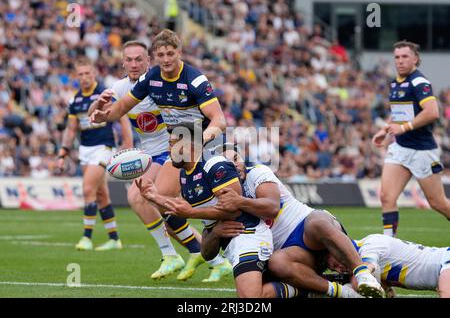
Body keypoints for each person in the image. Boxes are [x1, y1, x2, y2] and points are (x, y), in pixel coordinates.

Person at [89, 29, 230, 282]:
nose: (166, 59)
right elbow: (122, 106)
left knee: (173, 202)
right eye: (161, 54)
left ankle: (213, 255)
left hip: (202, 145)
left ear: (180, 53)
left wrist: (199, 139)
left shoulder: (195, 79)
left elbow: (219, 119)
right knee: (157, 200)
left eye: (170, 53)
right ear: (155, 57)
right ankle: (208, 256)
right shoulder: (151, 78)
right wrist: (104, 116)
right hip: (178, 148)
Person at [136, 122, 298, 298]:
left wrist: (191, 214)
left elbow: (233, 209)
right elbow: (188, 212)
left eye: (173, 143)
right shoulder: (185, 175)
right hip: (230, 244)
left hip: (248, 235)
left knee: (251, 299)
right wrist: (154, 197)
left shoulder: (214, 164)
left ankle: (303, 291)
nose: (169, 149)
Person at [214, 144, 384, 298]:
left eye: (236, 158)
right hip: (289, 254)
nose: (235, 164)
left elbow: (272, 208)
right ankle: (337, 291)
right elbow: (207, 252)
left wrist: (239, 201)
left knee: (317, 222)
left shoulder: (257, 172)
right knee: (269, 274)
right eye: (228, 163)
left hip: (307, 228)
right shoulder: (215, 196)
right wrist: (214, 232)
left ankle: (362, 273)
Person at [372, 40, 450, 237]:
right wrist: (386, 129)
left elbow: (432, 112)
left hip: (422, 151)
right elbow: (399, 113)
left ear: (415, 59)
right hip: (400, 149)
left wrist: (404, 127)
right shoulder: (395, 83)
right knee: (386, 196)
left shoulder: (419, 82)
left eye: (405, 56)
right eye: (397, 57)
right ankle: (389, 246)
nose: (400, 61)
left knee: (438, 203)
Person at [57, 57, 133, 251]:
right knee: (101, 195)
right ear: (76, 76)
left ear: (94, 73)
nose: (84, 77)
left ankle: (86, 237)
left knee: (87, 189)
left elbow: (122, 118)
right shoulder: (75, 100)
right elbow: (72, 129)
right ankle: (114, 239)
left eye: (87, 73)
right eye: (80, 74)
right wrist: (63, 152)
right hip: (85, 149)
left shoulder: (105, 94)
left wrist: (127, 143)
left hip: (104, 147)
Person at [325, 234, 450, 298]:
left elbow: (367, 269)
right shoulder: (367, 247)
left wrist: (344, 290)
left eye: (336, 264)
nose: (339, 270)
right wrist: (387, 289)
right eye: (334, 269)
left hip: (446, 262)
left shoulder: (369, 246)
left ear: (340, 249)